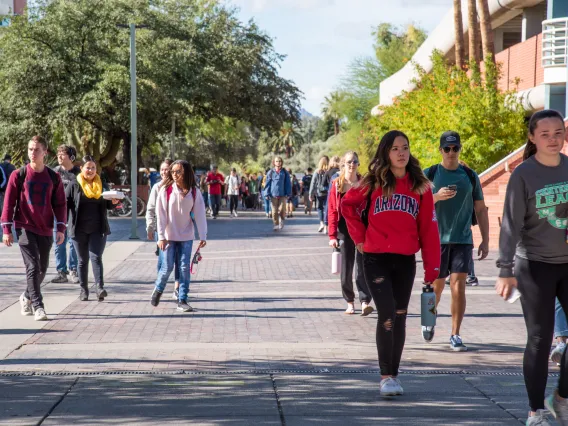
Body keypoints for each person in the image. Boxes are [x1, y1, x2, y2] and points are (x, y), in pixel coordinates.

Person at [342, 130, 440, 397]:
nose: (401, 153)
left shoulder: (420, 186)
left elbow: (429, 229)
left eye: (405, 148)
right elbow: (347, 206)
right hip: (375, 259)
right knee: (386, 313)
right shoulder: (373, 182)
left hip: (405, 261)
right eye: (396, 148)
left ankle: (394, 375)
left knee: (400, 316)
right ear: (386, 152)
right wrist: (359, 237)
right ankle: (385, 377)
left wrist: (432, 269)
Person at [495, 110, 568, 426]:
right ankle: (535, 410)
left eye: (559, 132)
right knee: (540, 338)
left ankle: (561, 397)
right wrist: (504, 268)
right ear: (532, 137)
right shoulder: (523, 175)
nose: (553, 139)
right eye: (545, 134)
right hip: (533, 266)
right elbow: (510, 225)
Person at [423, 131, 489, 351]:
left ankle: (455, 334)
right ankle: (428, 320)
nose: (451, 152)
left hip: (462, 238)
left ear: (460, 149)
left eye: (455, 148)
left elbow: (480, 207)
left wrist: (485, 240)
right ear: (440, 150)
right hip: (436, 240)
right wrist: (436, 197)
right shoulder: (430, 174)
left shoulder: (470, 176)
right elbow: (416, 203)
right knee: (437, 287)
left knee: (459, 286)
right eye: (447, 149)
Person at [1, 136, 67, 321]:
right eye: (30, 149)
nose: (32, 153)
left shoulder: (53, 177)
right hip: (24, 226)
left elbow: (60, 204)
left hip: (45, 227)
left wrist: (60, 227)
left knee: (43, 268)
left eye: (37, 149)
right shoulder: (18, 174)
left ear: (45, 152)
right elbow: (8, 203)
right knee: (32, 266)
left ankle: (26, 296)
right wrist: (6, 229)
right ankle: (38, 306)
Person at [151, 160, 207, 312]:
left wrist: (203, 236)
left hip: (186, 236)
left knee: (183, 268)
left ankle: (182, 299)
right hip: (168, 236)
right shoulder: (166, 191)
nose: (174, 175)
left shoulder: (194, 192)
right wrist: (161, 236)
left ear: (186, 173)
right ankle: (158, 289)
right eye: (173, 172)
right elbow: (160, 215)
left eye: (178, 172)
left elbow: (200, 215)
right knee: (167, 267)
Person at [65, 156, 119, 301]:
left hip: (98, 228)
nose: (90, 170)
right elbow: (65, 204)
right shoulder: (74, 184)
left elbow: (109, 204)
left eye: (93, 168)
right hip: (78, 229)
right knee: (82, 260)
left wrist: (113, 202)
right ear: (81, 168)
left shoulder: (102, 184)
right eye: (87, 167)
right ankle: (84, 290)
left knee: (96, 258)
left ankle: (99, 288)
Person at [328, 151, 373, 316]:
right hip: (344, 230)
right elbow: (332, 210)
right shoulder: (336, 184)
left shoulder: (364, 184)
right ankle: (349, 301)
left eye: (355, 162)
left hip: (361, 228)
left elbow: (370, 208)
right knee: (346, 268)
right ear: (343, 165)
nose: (352, 165)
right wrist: (332, 236)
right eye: (348, 162)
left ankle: (364, 301)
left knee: (362, 267)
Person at [146, 159, 182, 299]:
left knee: (179, 260)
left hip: (177, 229)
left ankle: (177, 288)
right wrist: (150, 228)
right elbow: (150, 209)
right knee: (163, 261)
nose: (164, 172)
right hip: (160, 230)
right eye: (162, 169)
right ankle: (159, 286)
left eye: (167, 169)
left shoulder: (179, 186)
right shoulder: (157, 187)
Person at [50, 145, 81, 284]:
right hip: (58, 214)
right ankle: (61, 272)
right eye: (58, 154)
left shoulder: (78, 173)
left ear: (71, 157)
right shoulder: (54, 173)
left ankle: (73, 270)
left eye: (63, 154)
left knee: (73, 242)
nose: (60, 157)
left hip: (74, 213)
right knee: (59, 243)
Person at [264, 156, 291, 231]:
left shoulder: (284, 172)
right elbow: (267, 184)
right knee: (274, 211)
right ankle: (275, 224)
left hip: (282, 195)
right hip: (273, 195)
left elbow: (288, 183)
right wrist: (266, 194)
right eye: (277, 161)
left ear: (281, 162)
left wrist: (288, 193)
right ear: (274, 163)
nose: (278, 162)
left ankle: (282, 220)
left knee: (282, 210)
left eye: (279, 161)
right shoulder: (270, 172)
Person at [310, 156, 330, 233]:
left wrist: (311, 194)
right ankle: (326, 227)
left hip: (319, 193)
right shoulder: (328, 171)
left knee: (320, 208)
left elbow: (313, 183)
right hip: (327, 192)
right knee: (326, 209)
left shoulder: (317, 171)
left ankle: (321, 223)